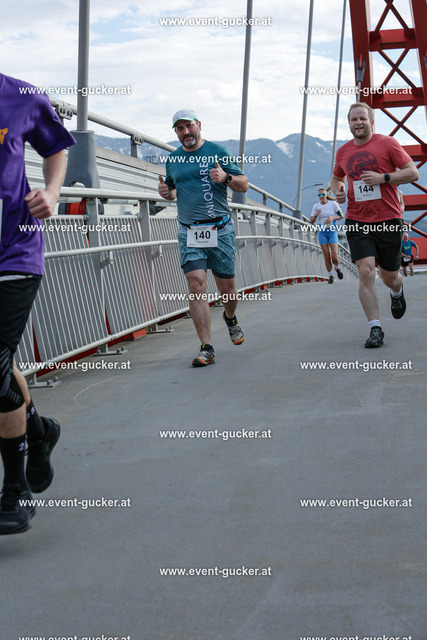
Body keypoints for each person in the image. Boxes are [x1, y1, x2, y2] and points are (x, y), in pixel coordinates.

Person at [0, 73, 76, 534]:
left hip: (14, 249)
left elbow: (56, 149)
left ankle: (14, 491)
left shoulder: (21, 95)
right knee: (2, 361)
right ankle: (38, 429)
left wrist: (52, 193)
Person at [158, 109, 248, 367]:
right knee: (196, 284)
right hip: (190, 231)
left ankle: (230, 318)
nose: (185, 132)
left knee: (227, 289)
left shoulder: (218, 151)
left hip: (220, 229)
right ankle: (207, 347)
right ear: (176, 132)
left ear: (199, 125)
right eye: (180, 129)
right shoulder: (173, 159)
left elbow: (243, 184)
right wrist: (166, 192)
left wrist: (226, 177)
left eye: (189, 126)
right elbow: (173, 191)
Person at [329, 102, 419, 348]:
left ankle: (397, 290)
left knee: (390, 277)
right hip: (357, 219)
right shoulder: (343, 151)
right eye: (354, 119)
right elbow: (337, 178)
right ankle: (375, 328)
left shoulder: (388, 144)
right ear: (349, 124)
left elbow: (413, 173)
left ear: (371, 122)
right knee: (366, 270)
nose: (358, 123)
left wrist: (384, 178)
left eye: (362, 118)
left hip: (388, 219)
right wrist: (338, 191)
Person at [310, 187, 344, 283]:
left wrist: (333, 218)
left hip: (332, 232)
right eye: (319, 195)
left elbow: (341, 216)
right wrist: (316, 215)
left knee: (334, 256)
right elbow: (311, 221)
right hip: (322, 233)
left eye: (323, 194)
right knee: (326, 256)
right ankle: (331, 275)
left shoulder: (333, 204)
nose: (321, 196)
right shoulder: (316, 206)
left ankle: (337, 268)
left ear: (327, 195)